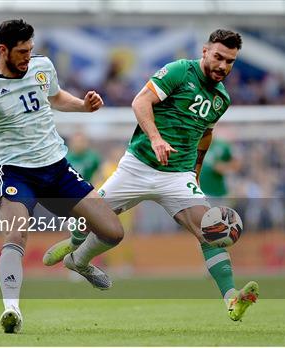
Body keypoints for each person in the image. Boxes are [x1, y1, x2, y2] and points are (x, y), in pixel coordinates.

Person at [0, 19, 124, 334]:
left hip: (57, 169)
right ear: (3, 50)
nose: (28, 56)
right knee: (15, 236)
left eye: (30, 49)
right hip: (17, 174)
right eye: (21, 51)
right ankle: (11, 310)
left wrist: (84, 106)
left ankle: (78, 260)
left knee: (113, 232)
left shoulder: (42, 67)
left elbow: (55, 98)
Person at [43, 29, 259, 321]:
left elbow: (206, 134)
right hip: (138, 166)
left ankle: (232, 299)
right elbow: (140, 102)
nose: (223, 66)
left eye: (230, 61)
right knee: (98, 222)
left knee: (210, 231)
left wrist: (194, 171)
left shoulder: (222, 98)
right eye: (219, 57)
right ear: (205, 51)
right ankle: (76, 254)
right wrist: (156, 139)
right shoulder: (180, 71)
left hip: (177, 177)